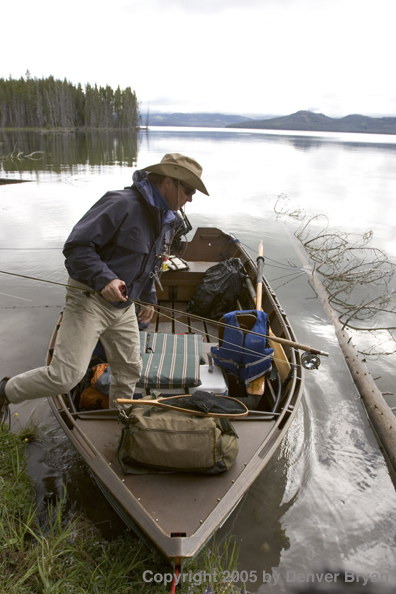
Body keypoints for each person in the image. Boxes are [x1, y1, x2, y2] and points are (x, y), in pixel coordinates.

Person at [0, 153, 209, 418]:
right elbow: (76, 247)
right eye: (189, 190)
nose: (190, 198)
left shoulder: (166, 220)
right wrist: (105, 278)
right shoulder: (121, 203)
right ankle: (5, 391)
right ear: (169, 181)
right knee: (65, 377)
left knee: (130, 369)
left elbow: (152, 264)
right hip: (89, 300)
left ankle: (119, 419)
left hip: (125, 306)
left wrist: (149, 297)